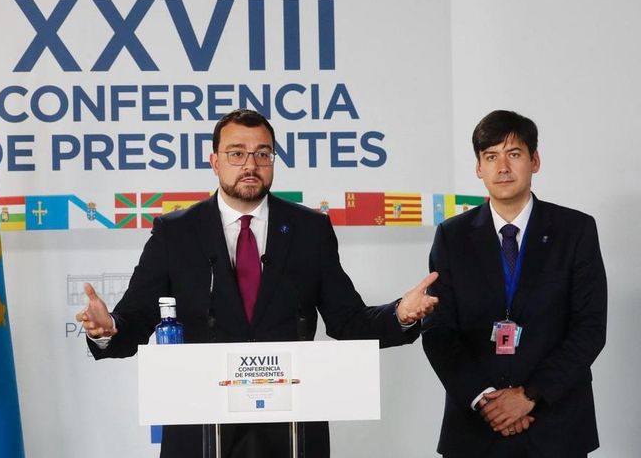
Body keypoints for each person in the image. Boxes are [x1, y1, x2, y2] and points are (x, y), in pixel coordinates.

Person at [77, 108, 438, 458]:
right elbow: (136, 319)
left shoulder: (309, 230)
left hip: (290, 430)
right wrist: (106, 329)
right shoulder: (176, 232)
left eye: (262, 154)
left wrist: (400, 315)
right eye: (236, 153)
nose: (250, 165)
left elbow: (348, 321)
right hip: (201, 426)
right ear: (215, 161)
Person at [422, 110, 607, 457]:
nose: (502, 167)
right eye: (490, 157)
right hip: (476, 429)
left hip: (556, 426)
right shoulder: (452, 237)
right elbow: (438, 332)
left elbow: (590, 329)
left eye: (514, 154)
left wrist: (528, 396)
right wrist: (486, 400)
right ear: (478, 168)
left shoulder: (576, 231)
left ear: (535, 161)